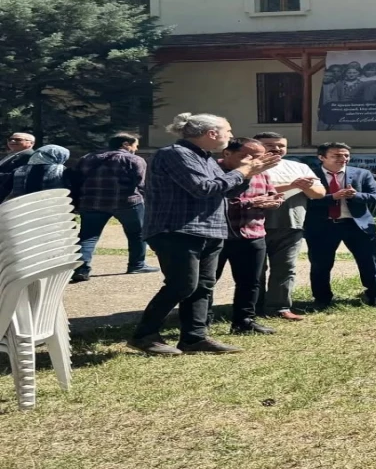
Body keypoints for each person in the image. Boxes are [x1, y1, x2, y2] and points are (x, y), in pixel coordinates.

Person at [129, 113, 280, 356]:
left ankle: (194, 338)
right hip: (177, 230)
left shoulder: (205, 158)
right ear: (211, 133)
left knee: (203, 286)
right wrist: (243, 171)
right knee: (182, 285)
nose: (230, 136)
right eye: (228, 131)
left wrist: (248, 173)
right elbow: (203, 189)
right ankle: (144, 335)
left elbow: (225, 190)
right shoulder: (175, 154)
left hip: (208, 230)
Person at [305, 142, 376, 308]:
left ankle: (375, 295)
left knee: (370, 261)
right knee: (320, 263)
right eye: (336, 155)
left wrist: (356, 196)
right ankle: (322, 298)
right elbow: (306, 201)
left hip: (357, 225)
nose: (343, 159)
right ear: (322, 157)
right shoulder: (311, 176)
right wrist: (332, 197)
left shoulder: (361, 174)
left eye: (346, 155)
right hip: (323, 226)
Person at [217, 138, 287, 335]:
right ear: (227, 154)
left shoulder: (262, 172)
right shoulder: (213, 171)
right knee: (206, 281)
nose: (253, 161)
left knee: (251, 281)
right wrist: (252, 202)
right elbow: (212, 201)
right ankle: (198, 321)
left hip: (253, 233)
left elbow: (272, 194)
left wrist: (274, 201)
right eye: (245, 156)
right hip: (219, 235)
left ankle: (244, 321)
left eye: (258, 157)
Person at [254, 132, 325, 320]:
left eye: (281, 145)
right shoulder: (250, 167)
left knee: (285, 267)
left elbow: (318, 193)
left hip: (291, 224)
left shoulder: (299, 167)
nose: (276, 149)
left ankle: (279, 306)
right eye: (269, 145)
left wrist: (303, 186)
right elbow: (251, 191)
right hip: (254, 224)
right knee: (255, 269)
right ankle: (253, 306)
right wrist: (292, 185)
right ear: (256, 145)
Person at [70, 132, 158, 283]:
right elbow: (142, 183)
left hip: (92, 202)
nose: (136, 149)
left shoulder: (87, 158)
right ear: (125, 144)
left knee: (88, 236)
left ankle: (82, 269)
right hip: (127, 202)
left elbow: (77, 180)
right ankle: (137, 264)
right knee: (137, 234)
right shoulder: (134, 159)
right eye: (135, 145)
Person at [2, 143, 70, 202]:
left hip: (24, 209)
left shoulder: (19, 170)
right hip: (54, 208)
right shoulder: (63, 171)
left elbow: (6, 188)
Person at [0, 132, 35, 197]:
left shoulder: (29, 156)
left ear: (31, 143)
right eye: (10, 139)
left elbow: (19, 175)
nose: (12, 141)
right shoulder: (13, 154)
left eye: (18, 139)